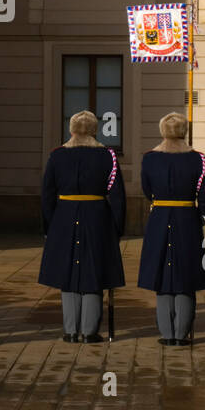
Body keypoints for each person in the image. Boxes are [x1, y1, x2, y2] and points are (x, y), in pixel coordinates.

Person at [38, 110, 126, 343]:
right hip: (97, 218)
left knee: (67, 275)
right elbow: (117, 196)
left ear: (72, 130)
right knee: (94, 274)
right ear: (95, 130)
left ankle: (70, 330)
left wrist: (49, 226)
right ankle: (89, 331)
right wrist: (116, 229)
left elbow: (47, 195)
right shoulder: (108, 156)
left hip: (63, 218)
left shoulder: (57, 156)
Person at [137, 113, 205, 346]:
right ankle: (181, 334)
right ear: (184, 131)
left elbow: (147, 189)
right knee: (186, 277)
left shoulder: (150, 158)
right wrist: (200, 215)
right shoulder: (197, 159)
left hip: (159, 217)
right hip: (186, 218)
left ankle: (167, 333)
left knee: (162, 276)